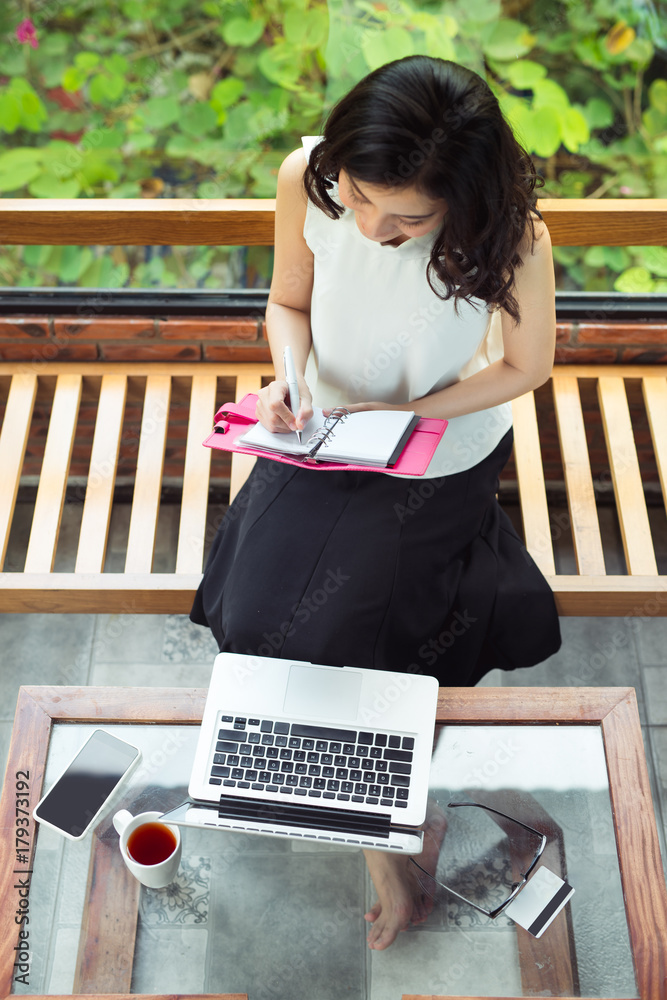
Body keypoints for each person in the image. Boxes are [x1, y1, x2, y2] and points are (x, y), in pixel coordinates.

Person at [191, 55, 561, 950]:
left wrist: (406, 414)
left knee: (371, 628)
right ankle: (361, 805)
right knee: (254, 615)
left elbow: (526, 366)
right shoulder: (306, 178)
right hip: (317, 428)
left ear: (461, 200)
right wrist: (289, 380)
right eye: (359, 198)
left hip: (435, 448)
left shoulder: (514, 238)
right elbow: (287, 303)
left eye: (407, 217)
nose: (371, 224)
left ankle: (381, 838)